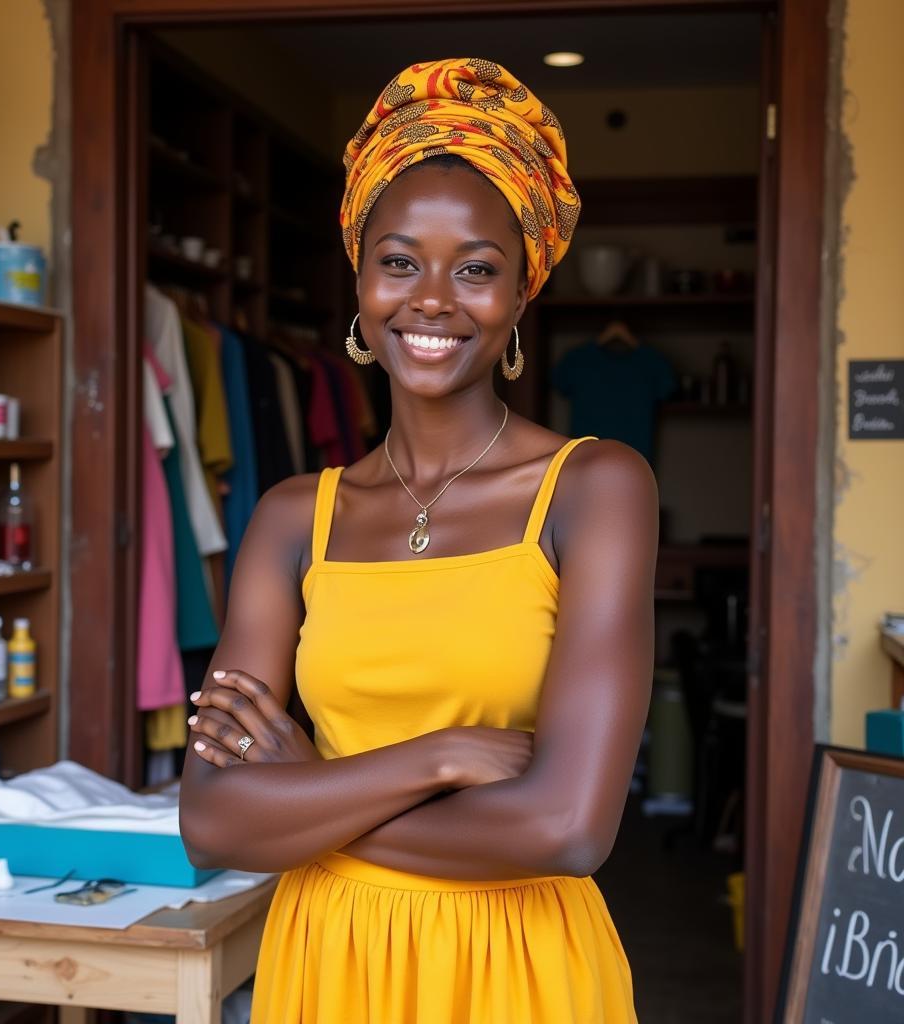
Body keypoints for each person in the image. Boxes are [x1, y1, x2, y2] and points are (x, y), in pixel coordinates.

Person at [179, 58, 656, 1024]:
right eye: (398, 260)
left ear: (522, 293)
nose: (432, 299)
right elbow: (213, 820)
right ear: (358, 281)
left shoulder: (596, 490)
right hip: (326, 964)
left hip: (519, 969)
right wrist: (434, 759)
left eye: (476, 268)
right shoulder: (289, 517)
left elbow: (565, 826)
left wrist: (308, 800)